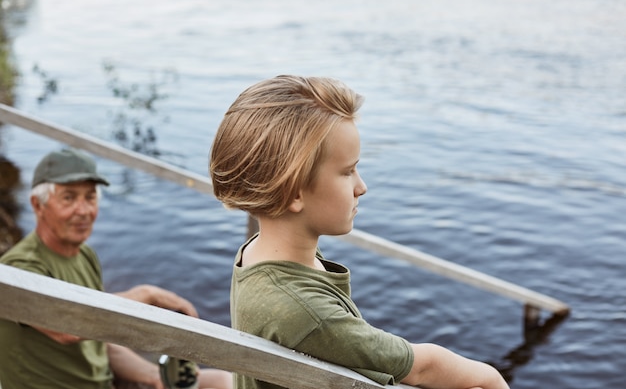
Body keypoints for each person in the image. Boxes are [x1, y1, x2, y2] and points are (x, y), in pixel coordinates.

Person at [209, 75, 510, 389]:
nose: (361, 187)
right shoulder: (305, 314)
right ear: (295, 192)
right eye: (347, 171)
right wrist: (492, 378)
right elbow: (424, 368)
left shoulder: (259, 251)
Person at [0, 148, 232, 389]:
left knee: (222, 381)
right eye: (69, 198)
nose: (83, 211)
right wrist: (142, 295)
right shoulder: (20, 267)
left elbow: (98, 339)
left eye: (90, 197)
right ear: (38, 205)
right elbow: (66, 329)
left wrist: (154, 375)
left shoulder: (84, 255)